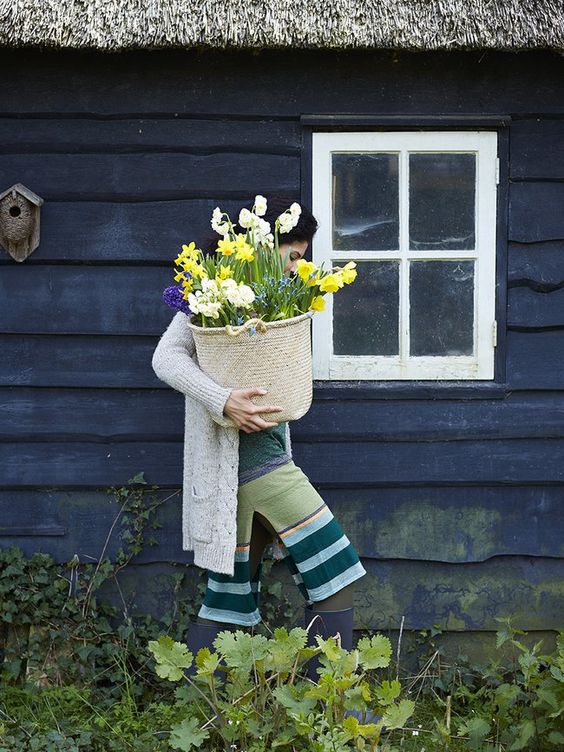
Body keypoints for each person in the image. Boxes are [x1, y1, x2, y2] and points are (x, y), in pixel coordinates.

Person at [151, 195, 368, 686]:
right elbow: (166, 358)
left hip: (250, 473)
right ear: (263, 247)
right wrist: (222, 398)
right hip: (255, 468)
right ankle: (332, 699)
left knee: (229, 597)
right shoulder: (212, 292)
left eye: (304, 256)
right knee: (336, 567)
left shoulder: (272, 297)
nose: (300, 266)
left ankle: (208, 702)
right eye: (294, 255)